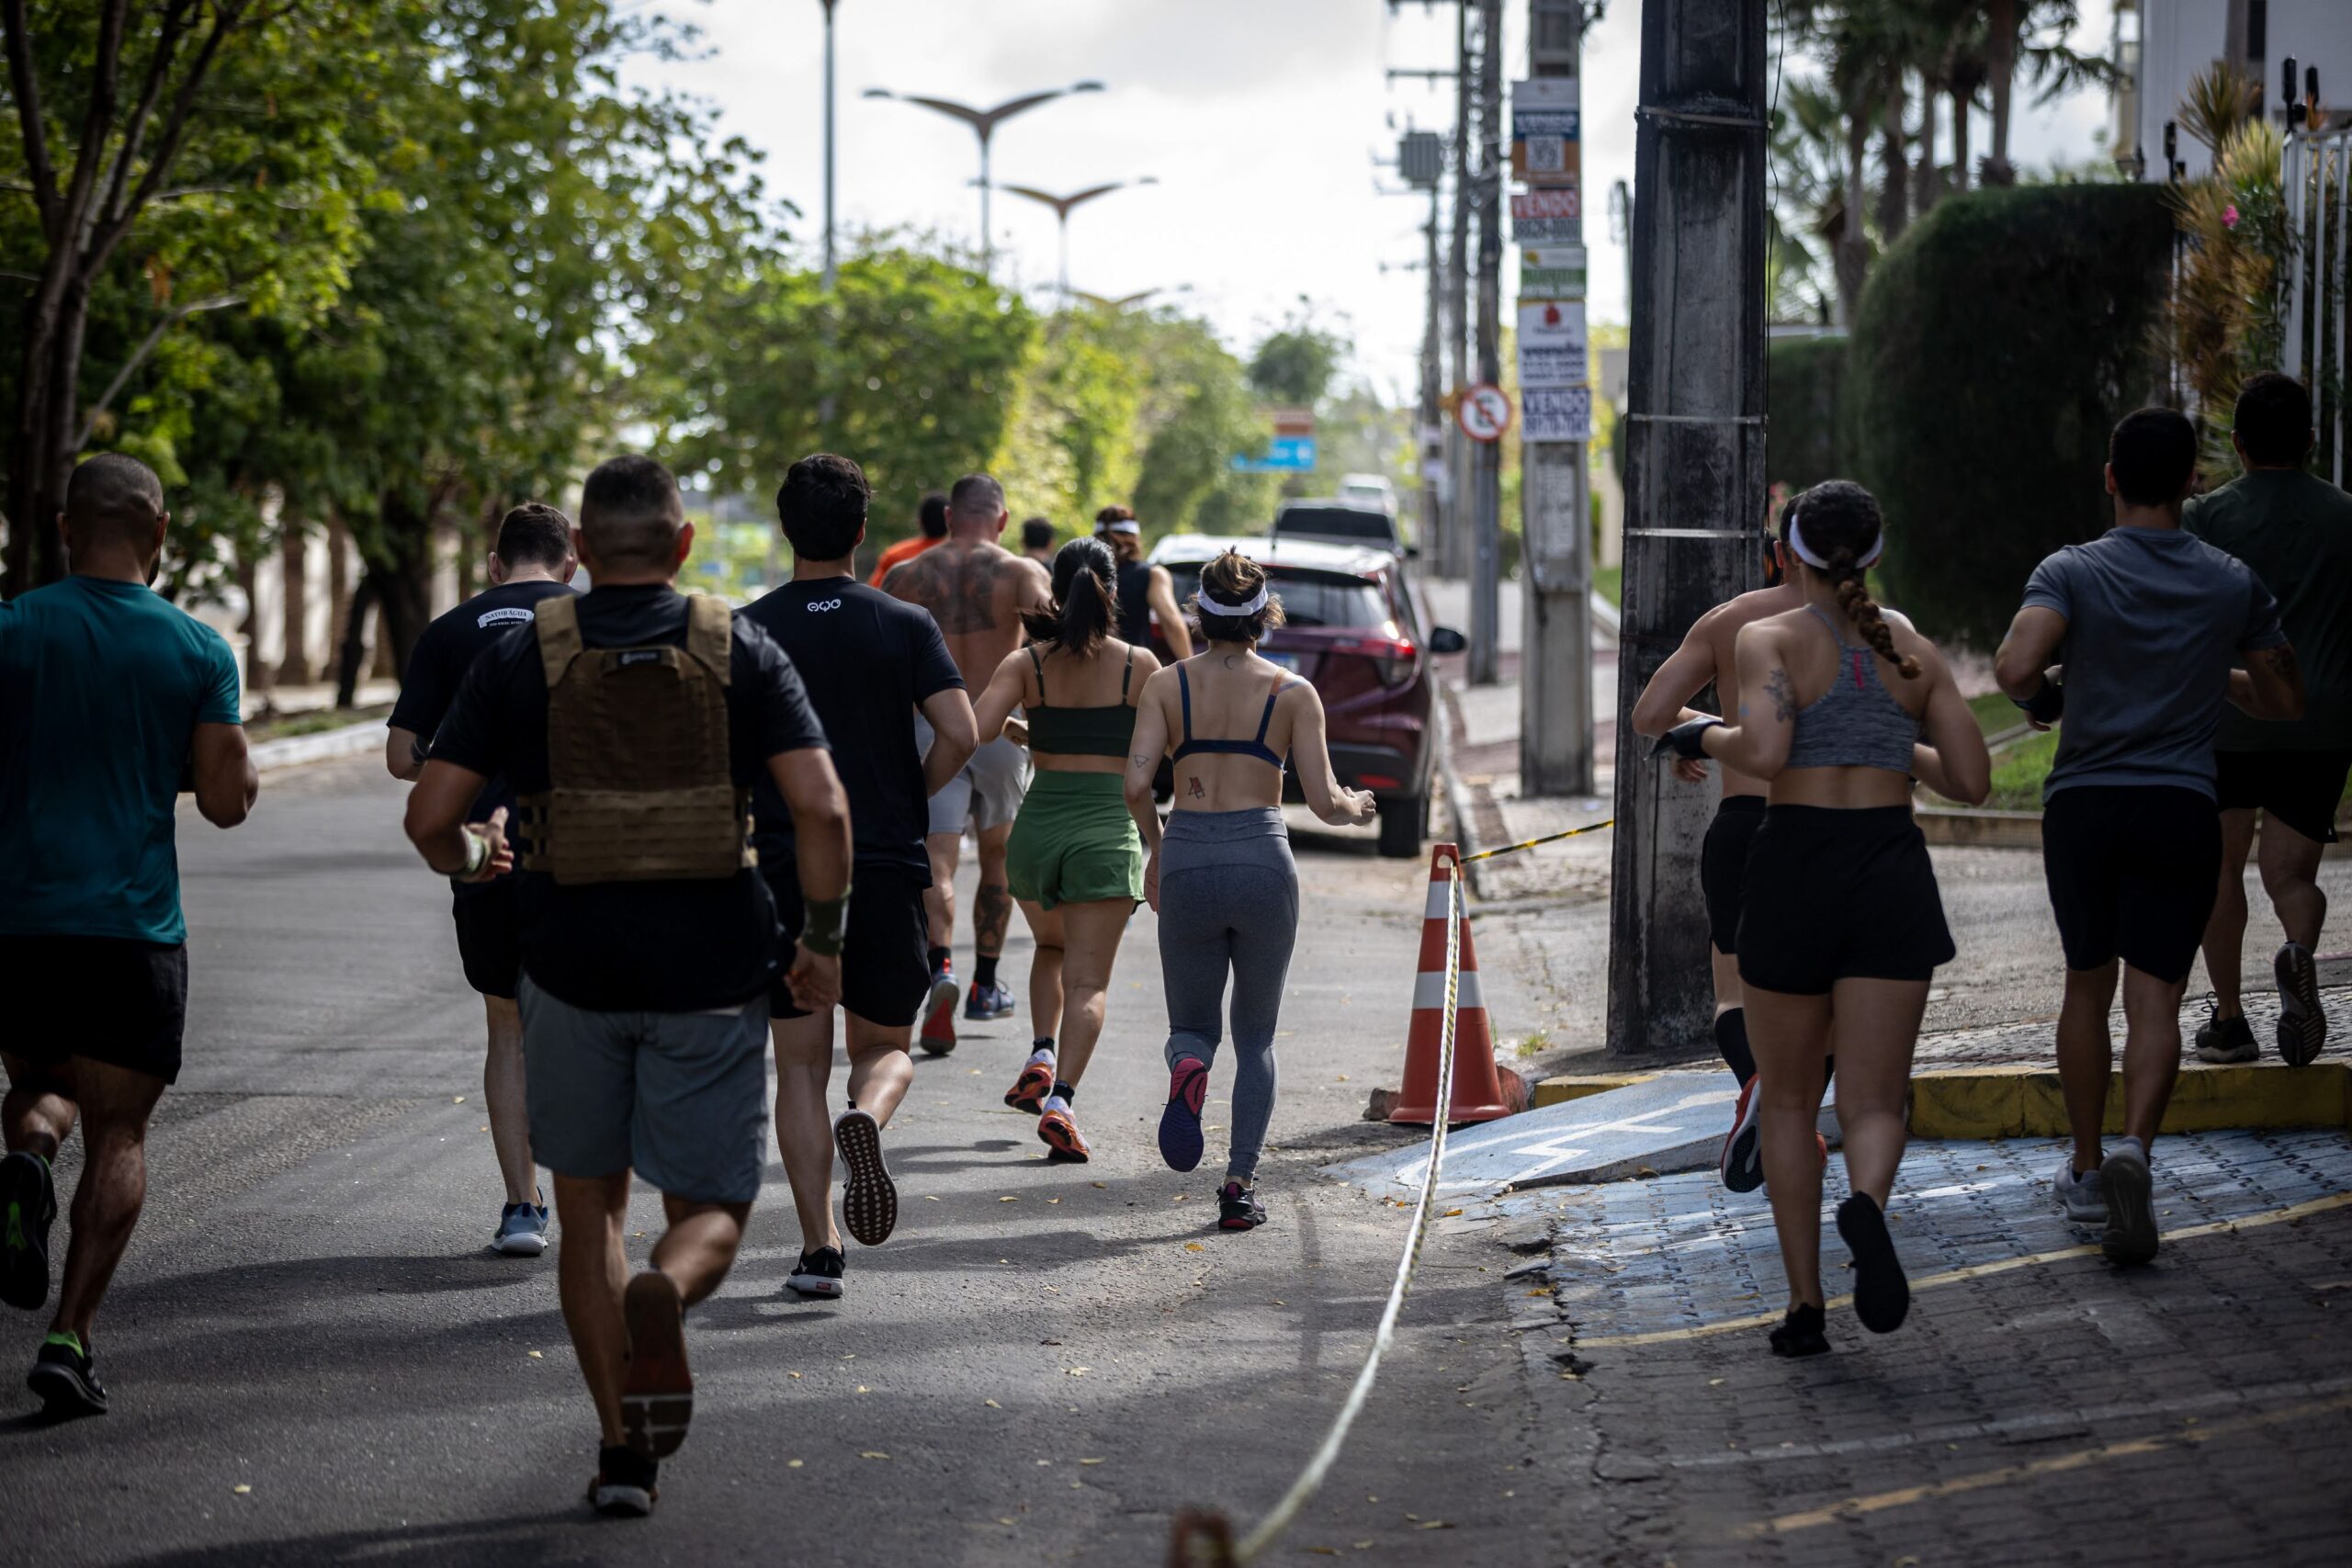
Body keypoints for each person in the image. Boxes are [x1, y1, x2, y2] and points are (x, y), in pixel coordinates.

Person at [405, 455, 851, 1517]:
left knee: (588, 1211)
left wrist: (477, 863)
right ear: (685, 545)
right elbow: (824, 811)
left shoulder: (523, 654)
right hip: (711, 962)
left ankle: (622, 1454)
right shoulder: (738, 644)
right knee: (711, 1208)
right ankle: (675, 1287)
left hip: (564, 959)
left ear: (584, 555)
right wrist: (822, 939)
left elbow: (430, 818)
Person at [1656, 479, 1988, 1356]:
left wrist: (1702, 736)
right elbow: (1970, 778)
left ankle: (1806, 1308)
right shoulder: (1910, 644)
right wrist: (1885, 740)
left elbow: (1762, 749)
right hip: (1888, 864)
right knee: (1876, 1100)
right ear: (1875, 554)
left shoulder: (1767, 636)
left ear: (1791, 551)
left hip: (1795, 866)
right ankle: (1867, 1206)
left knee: (1789, 1101)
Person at [1994, 408, 2302, 1268]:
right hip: (2180, 806)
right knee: (2157, 996)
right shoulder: (2232, 580)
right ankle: (2137, 1148)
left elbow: (2014, 670)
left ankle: (2088, 1169)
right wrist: (2223, 677)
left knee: (2086, 988)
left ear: (2109, 478)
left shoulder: (2072, 570)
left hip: (2087, 805)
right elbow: (2284, 699)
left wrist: (2052, 687)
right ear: (2194, 483)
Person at [1, 453, 257, 1416]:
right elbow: (228, 805)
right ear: (158, 534)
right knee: (119, 1128)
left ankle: (25, 1160)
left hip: (20, 922)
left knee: (38, 1085)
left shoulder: (12, 630)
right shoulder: (195, 650)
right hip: (133, 930)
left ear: (66, 528)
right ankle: (69, 1338)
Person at [741, 454, 977, 1301]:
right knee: (884, 1049)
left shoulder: (747, 629)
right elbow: (961, 731)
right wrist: (908, 794)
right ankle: (867, 1118)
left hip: (779, 871)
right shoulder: (903, 624)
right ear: (862, 531)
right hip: (879, 862)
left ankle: (817, 1251)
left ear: (784, 525)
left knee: (798, 1067)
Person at [1125, 550, 1375, 1227]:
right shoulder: (1292, 692)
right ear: (1266, 615)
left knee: (1193, 1026)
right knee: (1256, 1036)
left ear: (1197, 615)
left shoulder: (1164, 686)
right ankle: (1238, 1186)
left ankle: (1188, 1065)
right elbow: (1323, 802)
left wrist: (1155, 850)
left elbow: (1134, 784)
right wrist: (1359, 804)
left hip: (1188, 855)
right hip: (1263, 861)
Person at [386, 502, 579, 1258]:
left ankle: (522, 1207)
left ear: (495, 565)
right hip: (590, 856)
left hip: (483, 854)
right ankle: (593, 1203)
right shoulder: (593, 619)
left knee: (508, 1028)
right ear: (570, 564)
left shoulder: (450, 630)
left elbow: (404, 757)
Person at [1629, 504, 1812, 1192]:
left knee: (1734, 991)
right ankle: (1790, 1103)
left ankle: (1758, 1084)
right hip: (1830, 828)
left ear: (1777, 550)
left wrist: (1709, 729)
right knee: (1821, 992)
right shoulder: (1871, 625)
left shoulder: (1731, 619)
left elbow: (1649, 714)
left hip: (1743, 821)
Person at [972, 538, 1160, 1162]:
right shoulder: (1140, 667)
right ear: (1115, 591)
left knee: (1051, 946)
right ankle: (1061, 1101)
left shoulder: (1028, 664)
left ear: (1057, 591)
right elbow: (1164, 750)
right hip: (1105, 835)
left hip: (1036, 833)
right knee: (1088, 980)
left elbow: (976, 728)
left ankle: (1041, 1053)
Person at [2185, 372, 2349, 1066]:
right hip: (2320, 720)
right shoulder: (2346, 514)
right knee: (2290, 875)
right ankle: (2296, 953)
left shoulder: (2207, 517)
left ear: (2237, 443)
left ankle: (2230, 1022)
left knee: (2219, 870)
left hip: (2229, 714)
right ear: (2311, 440)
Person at [883, 474, 1052, 1053]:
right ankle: (984, 984)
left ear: (950, 515)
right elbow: (1053, 650)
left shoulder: (904, 576)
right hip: (1001, 726)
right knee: (999, 852)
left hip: (932, 728)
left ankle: (941, 969)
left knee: (939, 859)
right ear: (1002, 520)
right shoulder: (1023, 573)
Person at [1097, 506, 1193, 660]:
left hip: (1086, 667)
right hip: (1132, 668)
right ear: (1135, 537)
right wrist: (1190, 668)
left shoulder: (1083, 571)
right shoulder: (1152, 575)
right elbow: (1171, 623)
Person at [865, 490, 948, 587]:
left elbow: (874, 592)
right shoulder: (960, 560)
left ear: (920, 521)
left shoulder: (895, 555)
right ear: (950, 520)